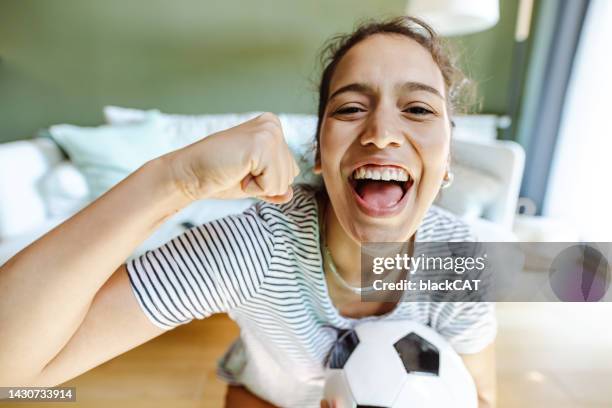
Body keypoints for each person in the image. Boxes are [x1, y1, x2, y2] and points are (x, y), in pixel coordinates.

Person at [0, 16, 496, 407]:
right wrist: (174, 179)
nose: (382, 132)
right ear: (319, 154)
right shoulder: (258, 247)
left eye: (418, 109)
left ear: (447, 158)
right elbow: (9, 375)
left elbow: (480, 396)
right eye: (349, 108)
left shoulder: (461, 260)